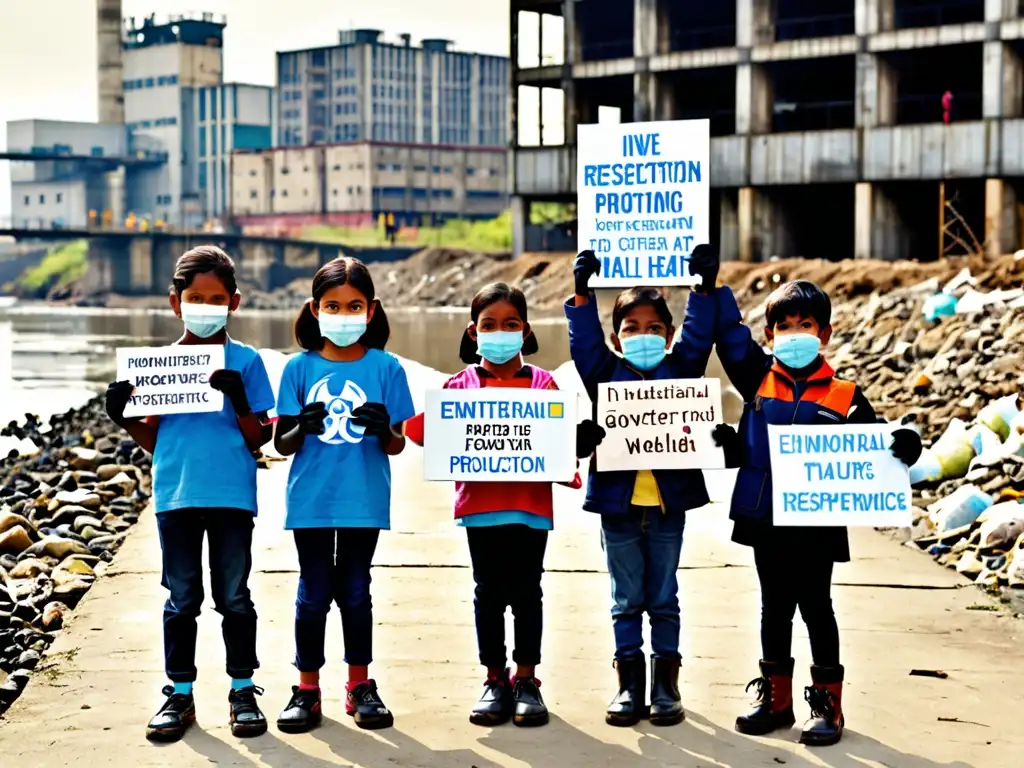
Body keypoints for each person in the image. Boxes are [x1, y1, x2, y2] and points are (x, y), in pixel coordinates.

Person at [710, 279, 922, 747]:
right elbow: (728, 335)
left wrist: (905, 446)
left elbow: (879, 449)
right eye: (783, 326)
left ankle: (828, 706)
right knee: (774, 609)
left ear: (824, 334)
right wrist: (710, 288)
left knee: (817, 608)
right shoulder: (756, 378)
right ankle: (776, 702)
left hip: (816, 525)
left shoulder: (845, 395)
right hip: (765, 518)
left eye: (804, 324)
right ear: (769, 334)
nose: (793, 333)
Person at [401, 283, 605, 728]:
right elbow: (419, 433)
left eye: (510, 324)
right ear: (473, 333)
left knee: (528, 594)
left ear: (526, 330)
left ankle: (526, 679)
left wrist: (578, 440)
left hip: (531, 509)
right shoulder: (458, 385)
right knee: (488, 595)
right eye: (489, 325)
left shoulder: (544, 384)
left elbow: (559, 446)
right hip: (480, 508)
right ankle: (495, 679)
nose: (500, 332)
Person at [103, 245, 276, 742]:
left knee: (234, 596)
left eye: (216, 298)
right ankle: (179, 693)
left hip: (232, 498)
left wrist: (240, 398)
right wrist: (126, 418)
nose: (205, 306)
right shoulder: (157, 367)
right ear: (175, 302)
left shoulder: (247, 361)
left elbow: (258, 437)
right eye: (195, 297)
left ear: (234, 302)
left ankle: (242, 689)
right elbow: (156, 441)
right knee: (181, 599)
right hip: (175, 497)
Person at [565, 246, 720, 727]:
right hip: (619, 509)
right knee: (626, 598)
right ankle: (630, 685)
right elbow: (584, 347)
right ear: (616, 337)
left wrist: (705, 290)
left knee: (664, 597)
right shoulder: (605, 373)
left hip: (669, 508)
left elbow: (699, 338)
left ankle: (666, 685)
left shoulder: (682, 371)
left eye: (655, 328)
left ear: (669, 335)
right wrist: (581, 294)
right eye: (631, 328)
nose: (643, 335)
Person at [273, 257, 415, 734]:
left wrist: (384, 431)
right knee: (313, 595)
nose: (344, 314)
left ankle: (359, 685)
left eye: (354, 305)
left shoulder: (386, 368)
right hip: (311, 500)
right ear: (315, 309)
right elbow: (281, 442)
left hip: (363, 499)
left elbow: (396, 443)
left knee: (356, 592)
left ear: (371, 310)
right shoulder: (298, 368)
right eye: (333, 305)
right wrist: (300, 428)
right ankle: (306, 689)